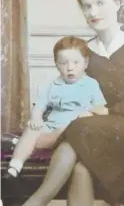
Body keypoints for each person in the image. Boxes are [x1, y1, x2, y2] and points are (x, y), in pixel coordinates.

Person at [20, 0, 124, 206]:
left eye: (100, 3)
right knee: (80, 169)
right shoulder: (84, 54)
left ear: (117, 4)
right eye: (87, 6)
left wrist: (106, 111)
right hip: (97, 131)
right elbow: (70, 94)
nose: (93, 13)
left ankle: (36, 202)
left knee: (79, 127)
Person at [6, 36, 108, 178]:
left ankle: (24, 143)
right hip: (51, 126)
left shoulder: (91, 84)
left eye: (76, 62)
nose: (70, 67)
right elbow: (39, 107)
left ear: (86, 63)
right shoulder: (53, 85)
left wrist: (88, 111)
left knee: (74, 126)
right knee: (32, 130)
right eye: (63, 63)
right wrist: (36, 118)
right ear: (56, 64)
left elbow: (102, 110)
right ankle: (15, 165)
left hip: (72, 129)